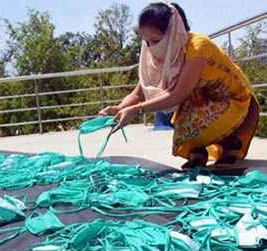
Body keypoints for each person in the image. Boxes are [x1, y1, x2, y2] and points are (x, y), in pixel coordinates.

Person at [99, 2, 259, 170]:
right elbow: (140, 93)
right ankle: (198, 151)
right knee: (185, 130)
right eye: (147, 42)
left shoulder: (198, 46)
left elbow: (179, 94)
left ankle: (231, 143)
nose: (152, 48)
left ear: (174, 31)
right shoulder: (161, 55)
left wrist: (137, 110)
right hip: (200, 101)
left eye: (156, 40)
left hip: (232, 99)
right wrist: (119, 108)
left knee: (203, 123)